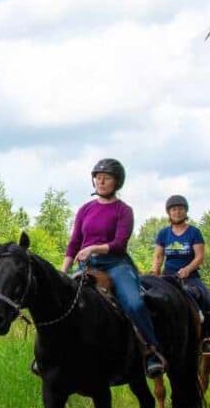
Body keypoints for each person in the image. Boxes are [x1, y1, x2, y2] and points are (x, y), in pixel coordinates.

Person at [61, 158, 167, 378]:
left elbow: (119, 243)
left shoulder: (124, 210)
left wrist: (93, 248)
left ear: (117, 182)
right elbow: (74, 243)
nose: (100, 181)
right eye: (97, 177)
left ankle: (151, 352)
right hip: (87, 266)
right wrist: (63, 273)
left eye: (106, 178)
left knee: (134, 303)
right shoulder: (85, 209)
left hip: (116, 264)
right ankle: (55, 356)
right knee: (61, 302)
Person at [152, 194, 210, 355]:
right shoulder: (163, 234)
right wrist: (155, 273)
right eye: (174, 209)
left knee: (209, 301)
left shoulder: (194, 232)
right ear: (169, 213)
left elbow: (199, 257)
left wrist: (188, 269)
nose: (177, 212)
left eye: (180, 209)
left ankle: (207, 338)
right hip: (168, 277)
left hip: (191, 277)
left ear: (185, 211)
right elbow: (159, 256)